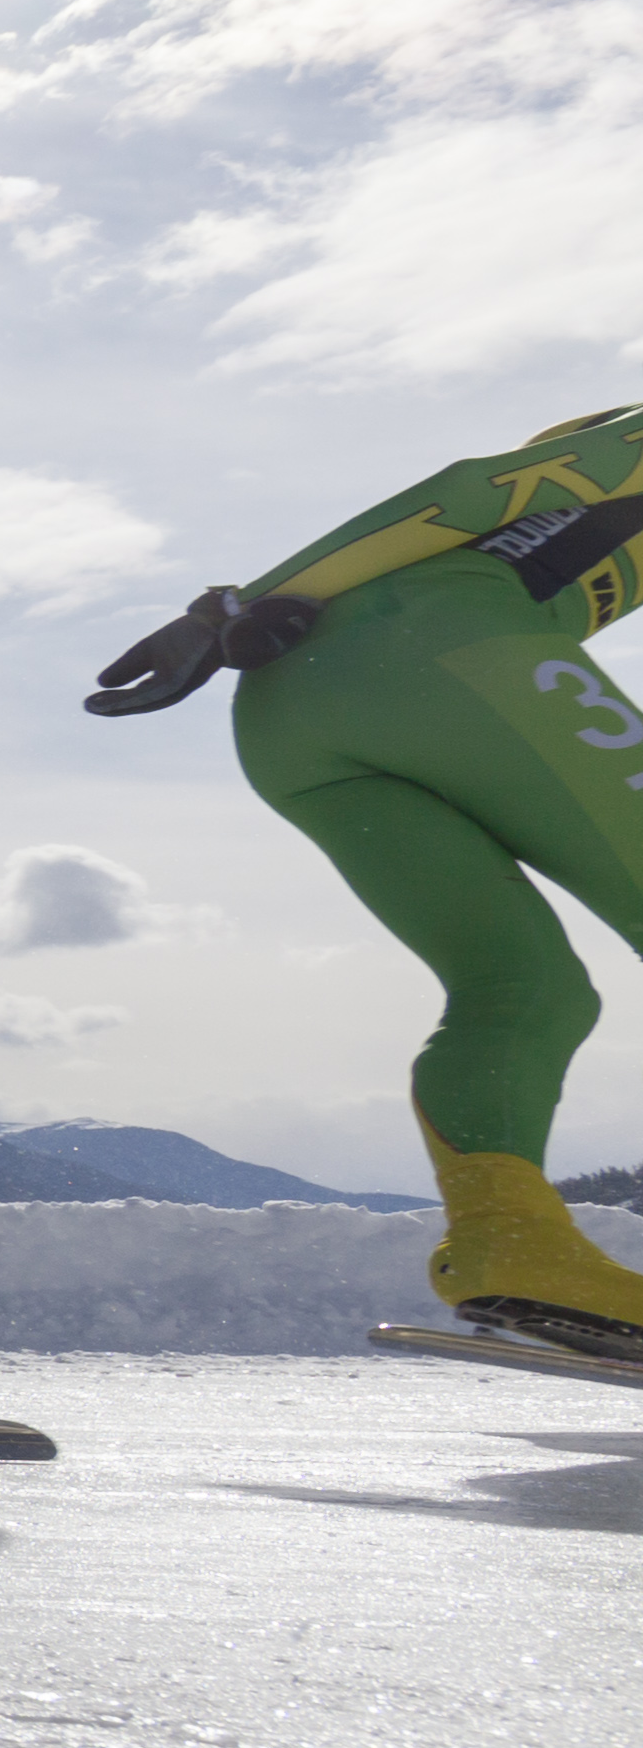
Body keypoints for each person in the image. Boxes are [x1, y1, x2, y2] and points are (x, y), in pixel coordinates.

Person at [82, 405, 643, 1358]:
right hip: (437, 644)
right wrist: (229, 608)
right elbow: (474, 492)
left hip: (296, 717)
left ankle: (513, 1243)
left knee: (527, 992)